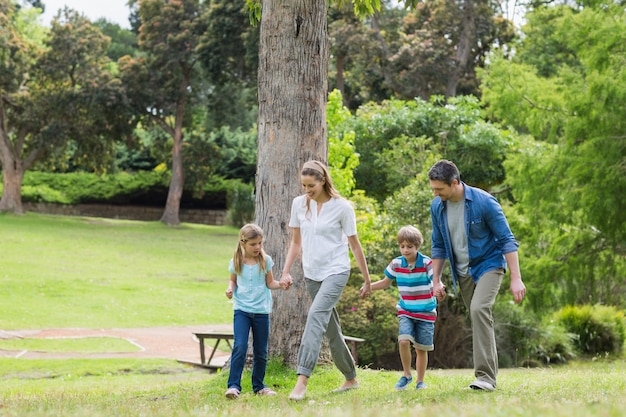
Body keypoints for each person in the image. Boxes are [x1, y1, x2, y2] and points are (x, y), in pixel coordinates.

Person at [428, 159, 526, 391]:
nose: (435, 193)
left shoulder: (484, 202)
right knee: (480, 317)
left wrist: (516, 277)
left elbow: (506, 240)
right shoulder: (437, 206)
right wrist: (436, 279)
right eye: (433, 189)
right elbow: (439, 244)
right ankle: (488, 376)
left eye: (439, 189)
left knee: (479, 309)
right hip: (462, 271)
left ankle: (485, 378)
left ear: (454, 183)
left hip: (489, 265)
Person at [279, 160, 372, 401]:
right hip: (312, 273)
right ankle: (351, 378)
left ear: (323, 181)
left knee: (316, 316)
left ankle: (302, 380)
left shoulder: (342, 207)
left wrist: (367, 279)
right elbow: (296, 243)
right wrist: (286, 271)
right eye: (304, 185)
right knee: (332, 329)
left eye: (311, 185)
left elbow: (354, 244)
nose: (307, 190)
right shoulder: (299, 204)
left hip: (336, 270)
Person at [367, 225, 442, 391]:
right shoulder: (396, 263)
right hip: (406, 310)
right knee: (403, 341)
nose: (405, 250)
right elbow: (385, 282)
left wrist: (439, 288)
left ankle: (420, 382)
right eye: (402, 246)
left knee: (421, 349)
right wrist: (368, 286)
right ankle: (407, 374)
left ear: (417, 246)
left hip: (425, 311)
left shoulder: (426, 263)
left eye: (409, 246)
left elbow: (435, 279)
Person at [224, 223, 289, 399]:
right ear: (243, 243)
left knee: (261, 350)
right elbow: (233, 281)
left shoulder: (265, 260)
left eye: (260, 243)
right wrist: (229, 289)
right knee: (240, 346)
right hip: (242, 310)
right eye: (253, 244)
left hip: (261, 311)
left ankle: (259, 386)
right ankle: (233, 386)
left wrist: (281, 285)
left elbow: (270, 283)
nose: (257, 247)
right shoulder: (237, 261)